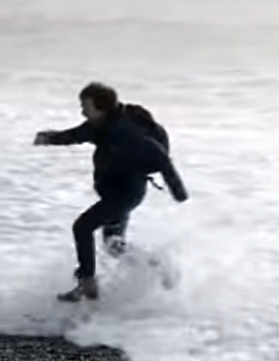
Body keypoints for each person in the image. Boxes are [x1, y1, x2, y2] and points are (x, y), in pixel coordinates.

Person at [33, 82, 189, 302]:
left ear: (101, 108)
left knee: (82, 227)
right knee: (113, 246)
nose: (82, 111)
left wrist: (178, 191)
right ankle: (157, 267)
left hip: (125, 192)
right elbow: (76, 134)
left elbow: (159, 155)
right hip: (116, 191)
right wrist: (49, 138)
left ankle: (87, 282)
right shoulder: (100, 125)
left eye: (85, 106)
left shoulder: (124, 132)